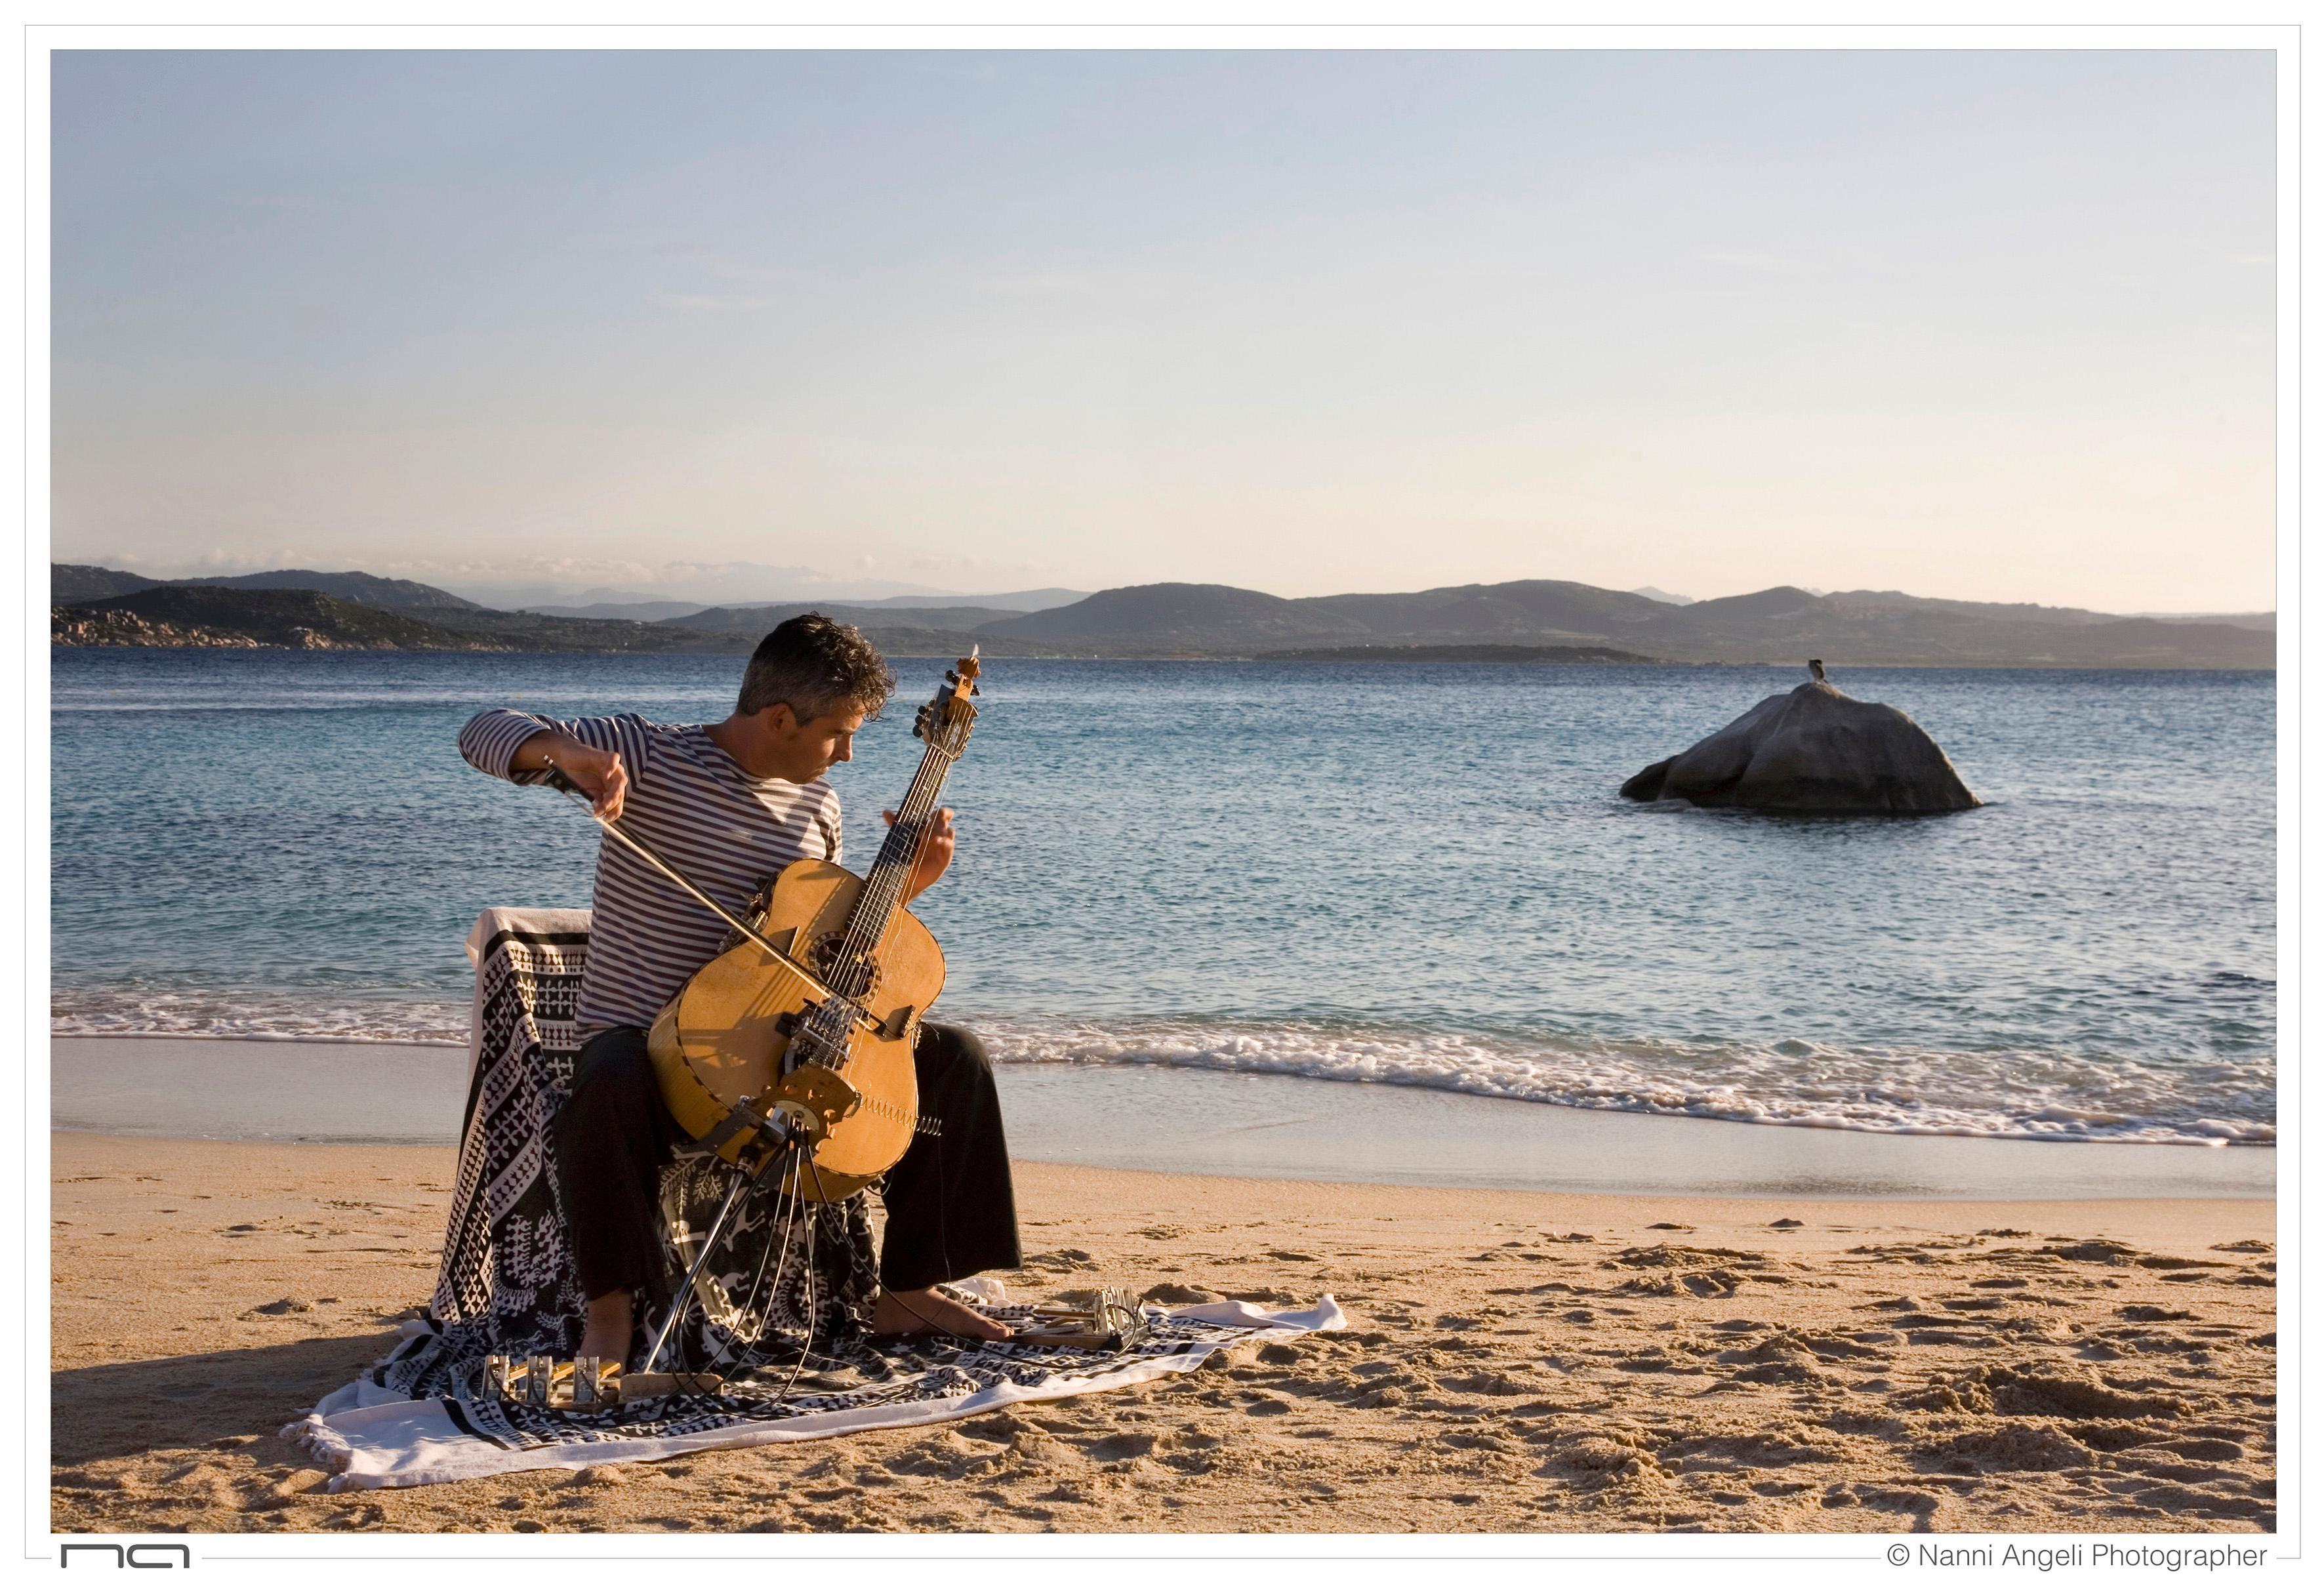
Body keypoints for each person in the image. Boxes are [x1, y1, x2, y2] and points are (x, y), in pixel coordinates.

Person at [458, 613, 1019, 1366]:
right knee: (607, 1074)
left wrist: (902, 894)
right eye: (839, 734)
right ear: (781, 717)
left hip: (771, 1043)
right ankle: (610, 1311)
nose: (848, 755)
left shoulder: (818, 806)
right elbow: (483, 730)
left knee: (957, 1058)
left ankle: (907, 1288)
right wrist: (568, 755)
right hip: (650, 1045)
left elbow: (824, 951)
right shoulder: (650, 754)